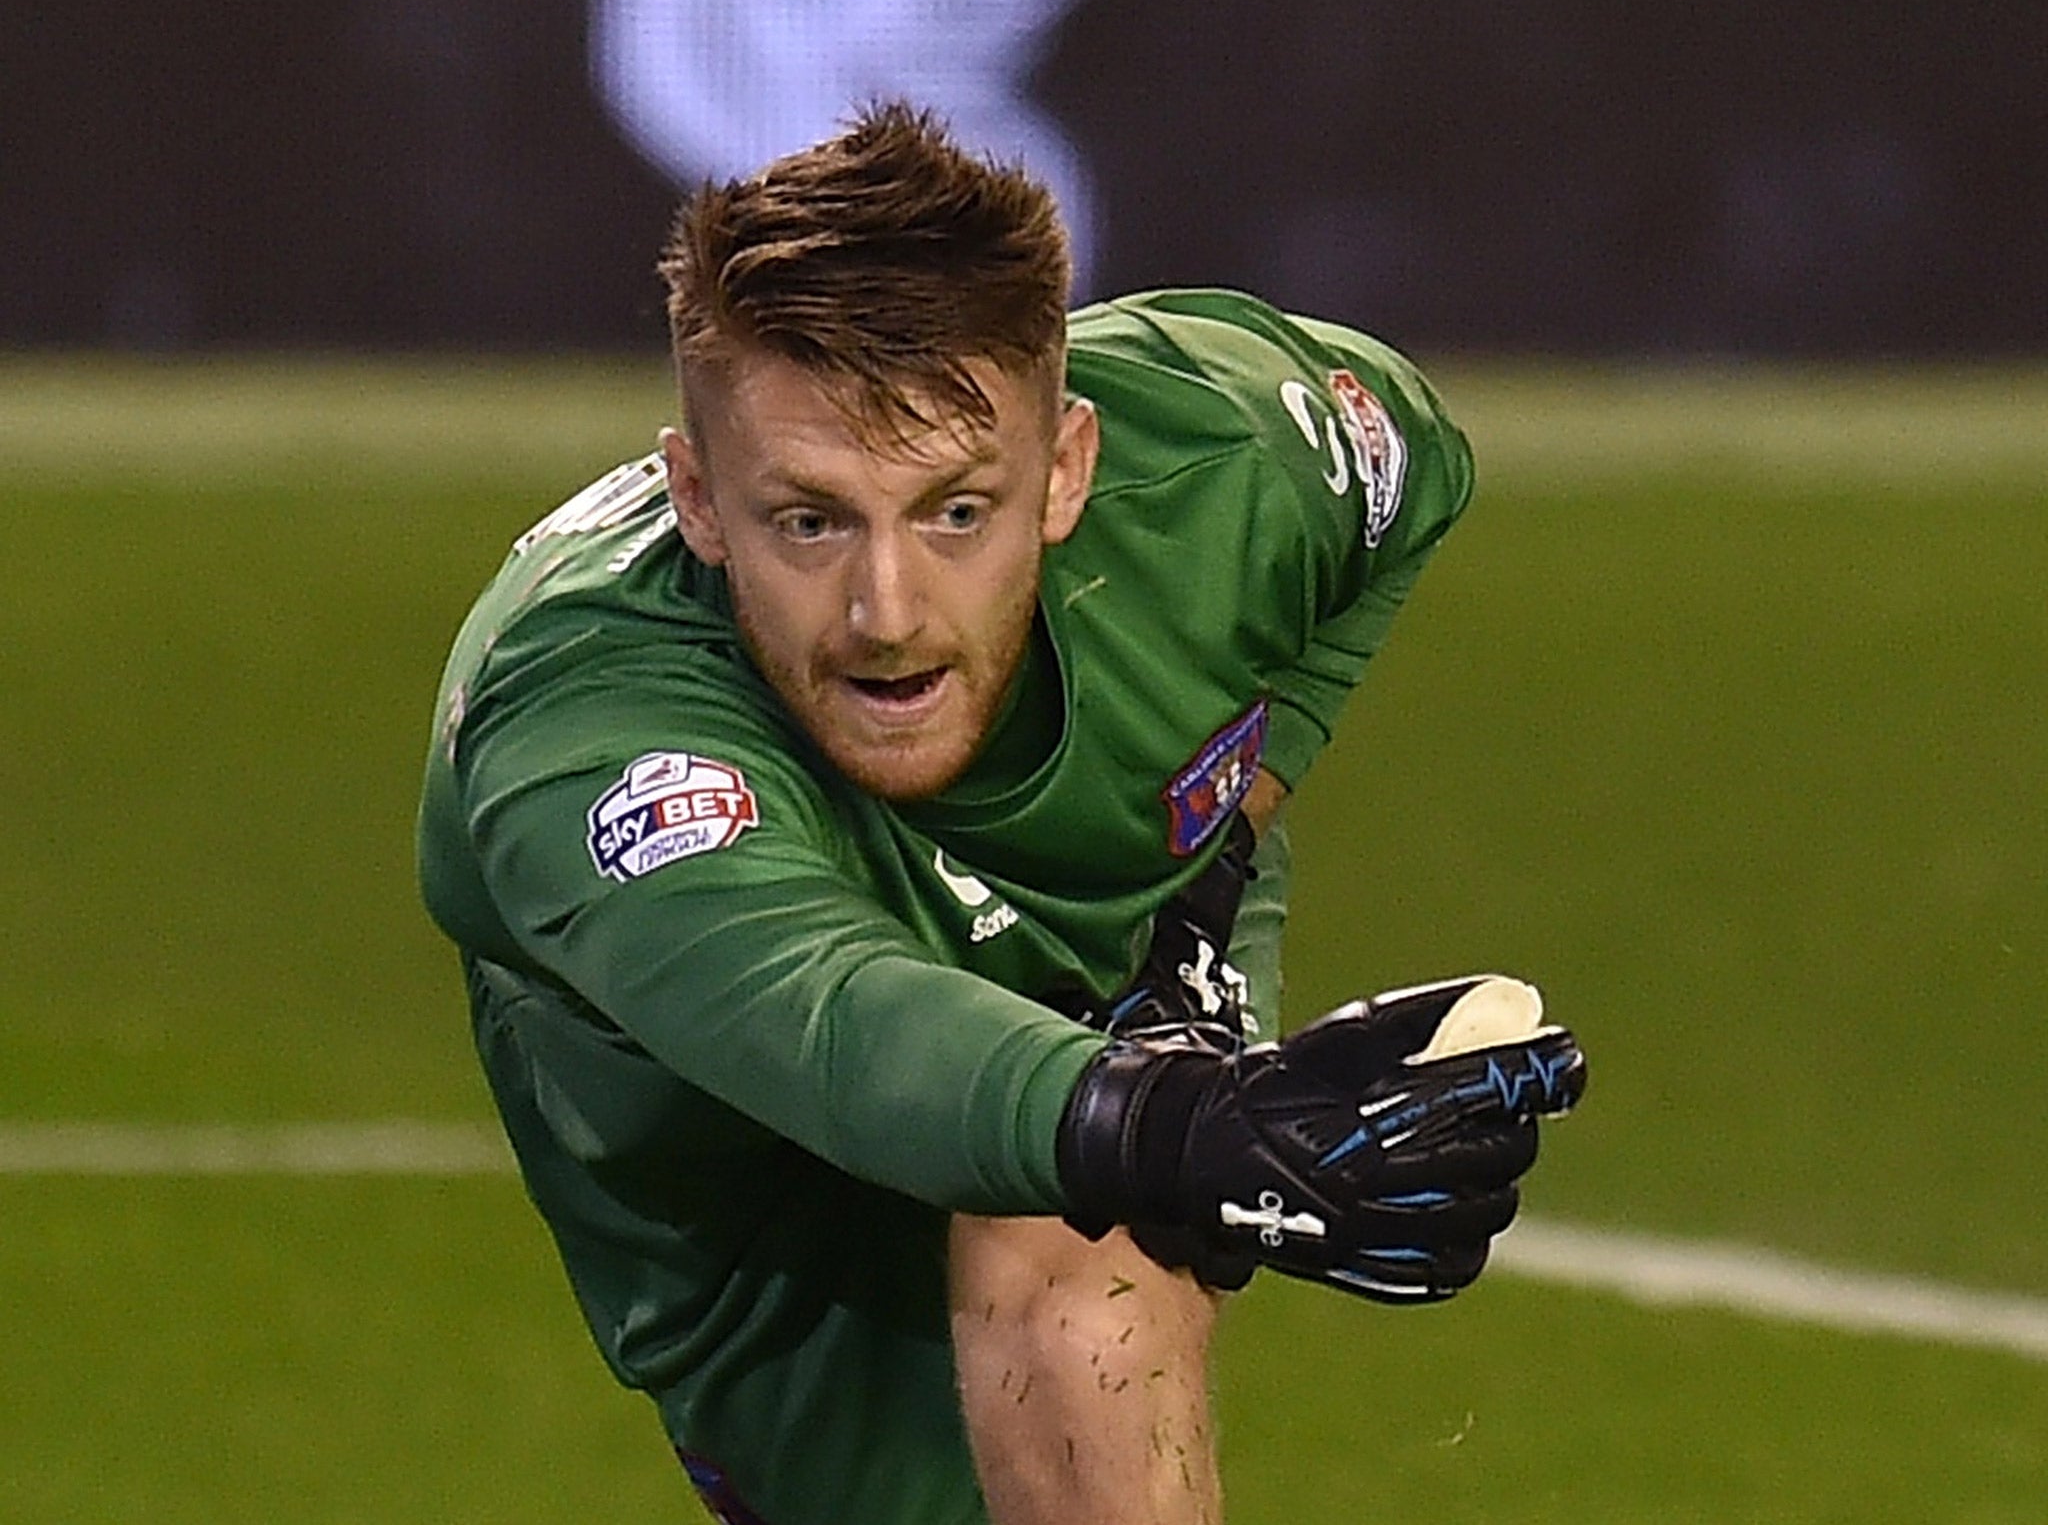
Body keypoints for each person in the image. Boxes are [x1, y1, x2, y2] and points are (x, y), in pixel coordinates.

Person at [416, 103, 1583, 1525]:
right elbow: (826, 1020)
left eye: (957, 512)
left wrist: (1213, 868)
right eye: (809, 521)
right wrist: (1186, 1125)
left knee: (1079, 1267)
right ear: (699, 501)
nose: (887, 614)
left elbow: (1407, 471)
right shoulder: (582, 725)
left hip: (1068, 1024)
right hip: (745, 1169)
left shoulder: (1226, 449)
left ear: (1071, 466)